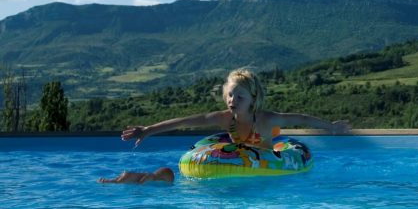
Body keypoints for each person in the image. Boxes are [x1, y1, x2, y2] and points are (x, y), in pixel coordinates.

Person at [122, 68, 349, 151]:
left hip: (270, 162)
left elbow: (301, 118)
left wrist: (331, 127)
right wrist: (148, 129)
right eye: (230, 95)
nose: (232, 100)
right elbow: (186, 121)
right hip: (238, 158)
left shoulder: (267, 119)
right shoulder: (224, 119)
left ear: (253, 98)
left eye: (239, 96)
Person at [98, 167, 174, 184]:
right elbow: (147, 177)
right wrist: (140, 184)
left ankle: (105, 180)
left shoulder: (155, 176)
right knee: (115, 182)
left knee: (115, 180)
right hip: (128, 176)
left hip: (128, 175)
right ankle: (105, 181)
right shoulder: (153, 176)